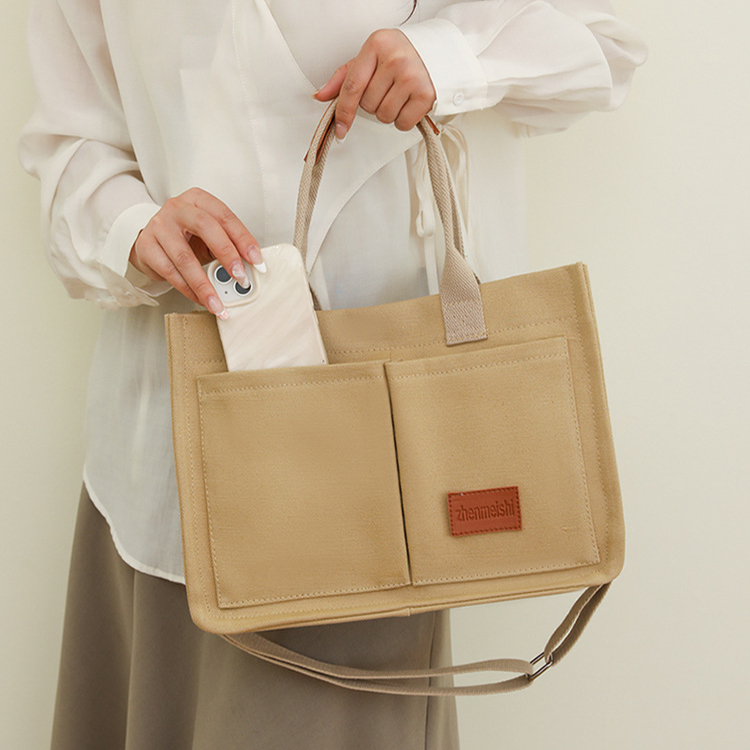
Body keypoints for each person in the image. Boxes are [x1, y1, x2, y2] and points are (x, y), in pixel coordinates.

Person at [20, 1, 646, 748]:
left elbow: (604, 46)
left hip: (384, 476)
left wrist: (443, 57)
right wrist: (131, 226)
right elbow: (72, 141)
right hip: (163, 451)